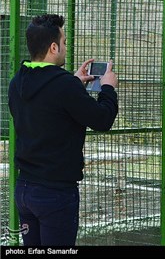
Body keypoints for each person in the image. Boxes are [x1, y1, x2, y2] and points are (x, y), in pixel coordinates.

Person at [8, 14, 118, 246]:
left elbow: (48, 108)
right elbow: (103, 119)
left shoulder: (17, 82)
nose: (66, 48)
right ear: (53, 47)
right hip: (55, 193)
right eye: (65, 42)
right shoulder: (63, 84)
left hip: (25, 189)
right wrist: (108, 88)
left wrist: (75, 83)